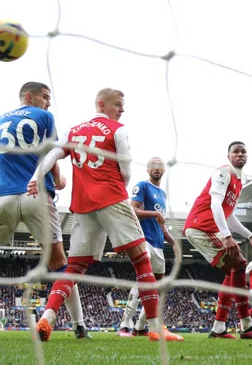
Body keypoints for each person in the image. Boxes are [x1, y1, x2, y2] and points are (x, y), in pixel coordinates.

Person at [28, 88, 172, 342]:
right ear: (102, 104)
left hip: (82, 205)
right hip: (112, 198)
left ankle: (47, 317)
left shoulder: (74, 130)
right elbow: (126, 169)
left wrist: (36, 177)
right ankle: (154, 328)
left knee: (73, 267)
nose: (122, 109)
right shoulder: (118, 129)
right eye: (118, 104)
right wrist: (119, 191)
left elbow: (52, 154)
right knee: (141, 260)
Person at [0, 82, 89, 339]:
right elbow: (50, 153)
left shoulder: (2, 119)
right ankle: (79, 326)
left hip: (3, 196)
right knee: (61, 264)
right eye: (45, 97)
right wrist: (59, 178)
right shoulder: (43, 116)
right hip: (35, 193)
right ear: (30, 97)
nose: (48, 102)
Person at [184, 141, 252, 340]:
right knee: (240, 263)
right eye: (236, 151)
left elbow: (229, 215)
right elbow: (215, 203)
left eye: (243, 151)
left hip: (209, 227)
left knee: (232, 271)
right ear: (229, 156)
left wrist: (249, 235)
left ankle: (218, 328)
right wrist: (227, 236)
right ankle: (247, 325)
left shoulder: (238, 182)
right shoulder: (223, 173)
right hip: (202, 226)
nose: (240, 154)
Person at [117, 157, 181, 340]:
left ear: (164, 170)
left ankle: (140, 326)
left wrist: (174, 242)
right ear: (147, 169)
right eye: (153, 166)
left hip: (158, 245)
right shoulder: (142, 186)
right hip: (143, 240)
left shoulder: (162, 194)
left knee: (157, 288)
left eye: (160, 166)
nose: (157, 169)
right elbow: (132, 210)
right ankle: (124, 325)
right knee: (143, 283)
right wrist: (154, 213)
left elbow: (160, 224)